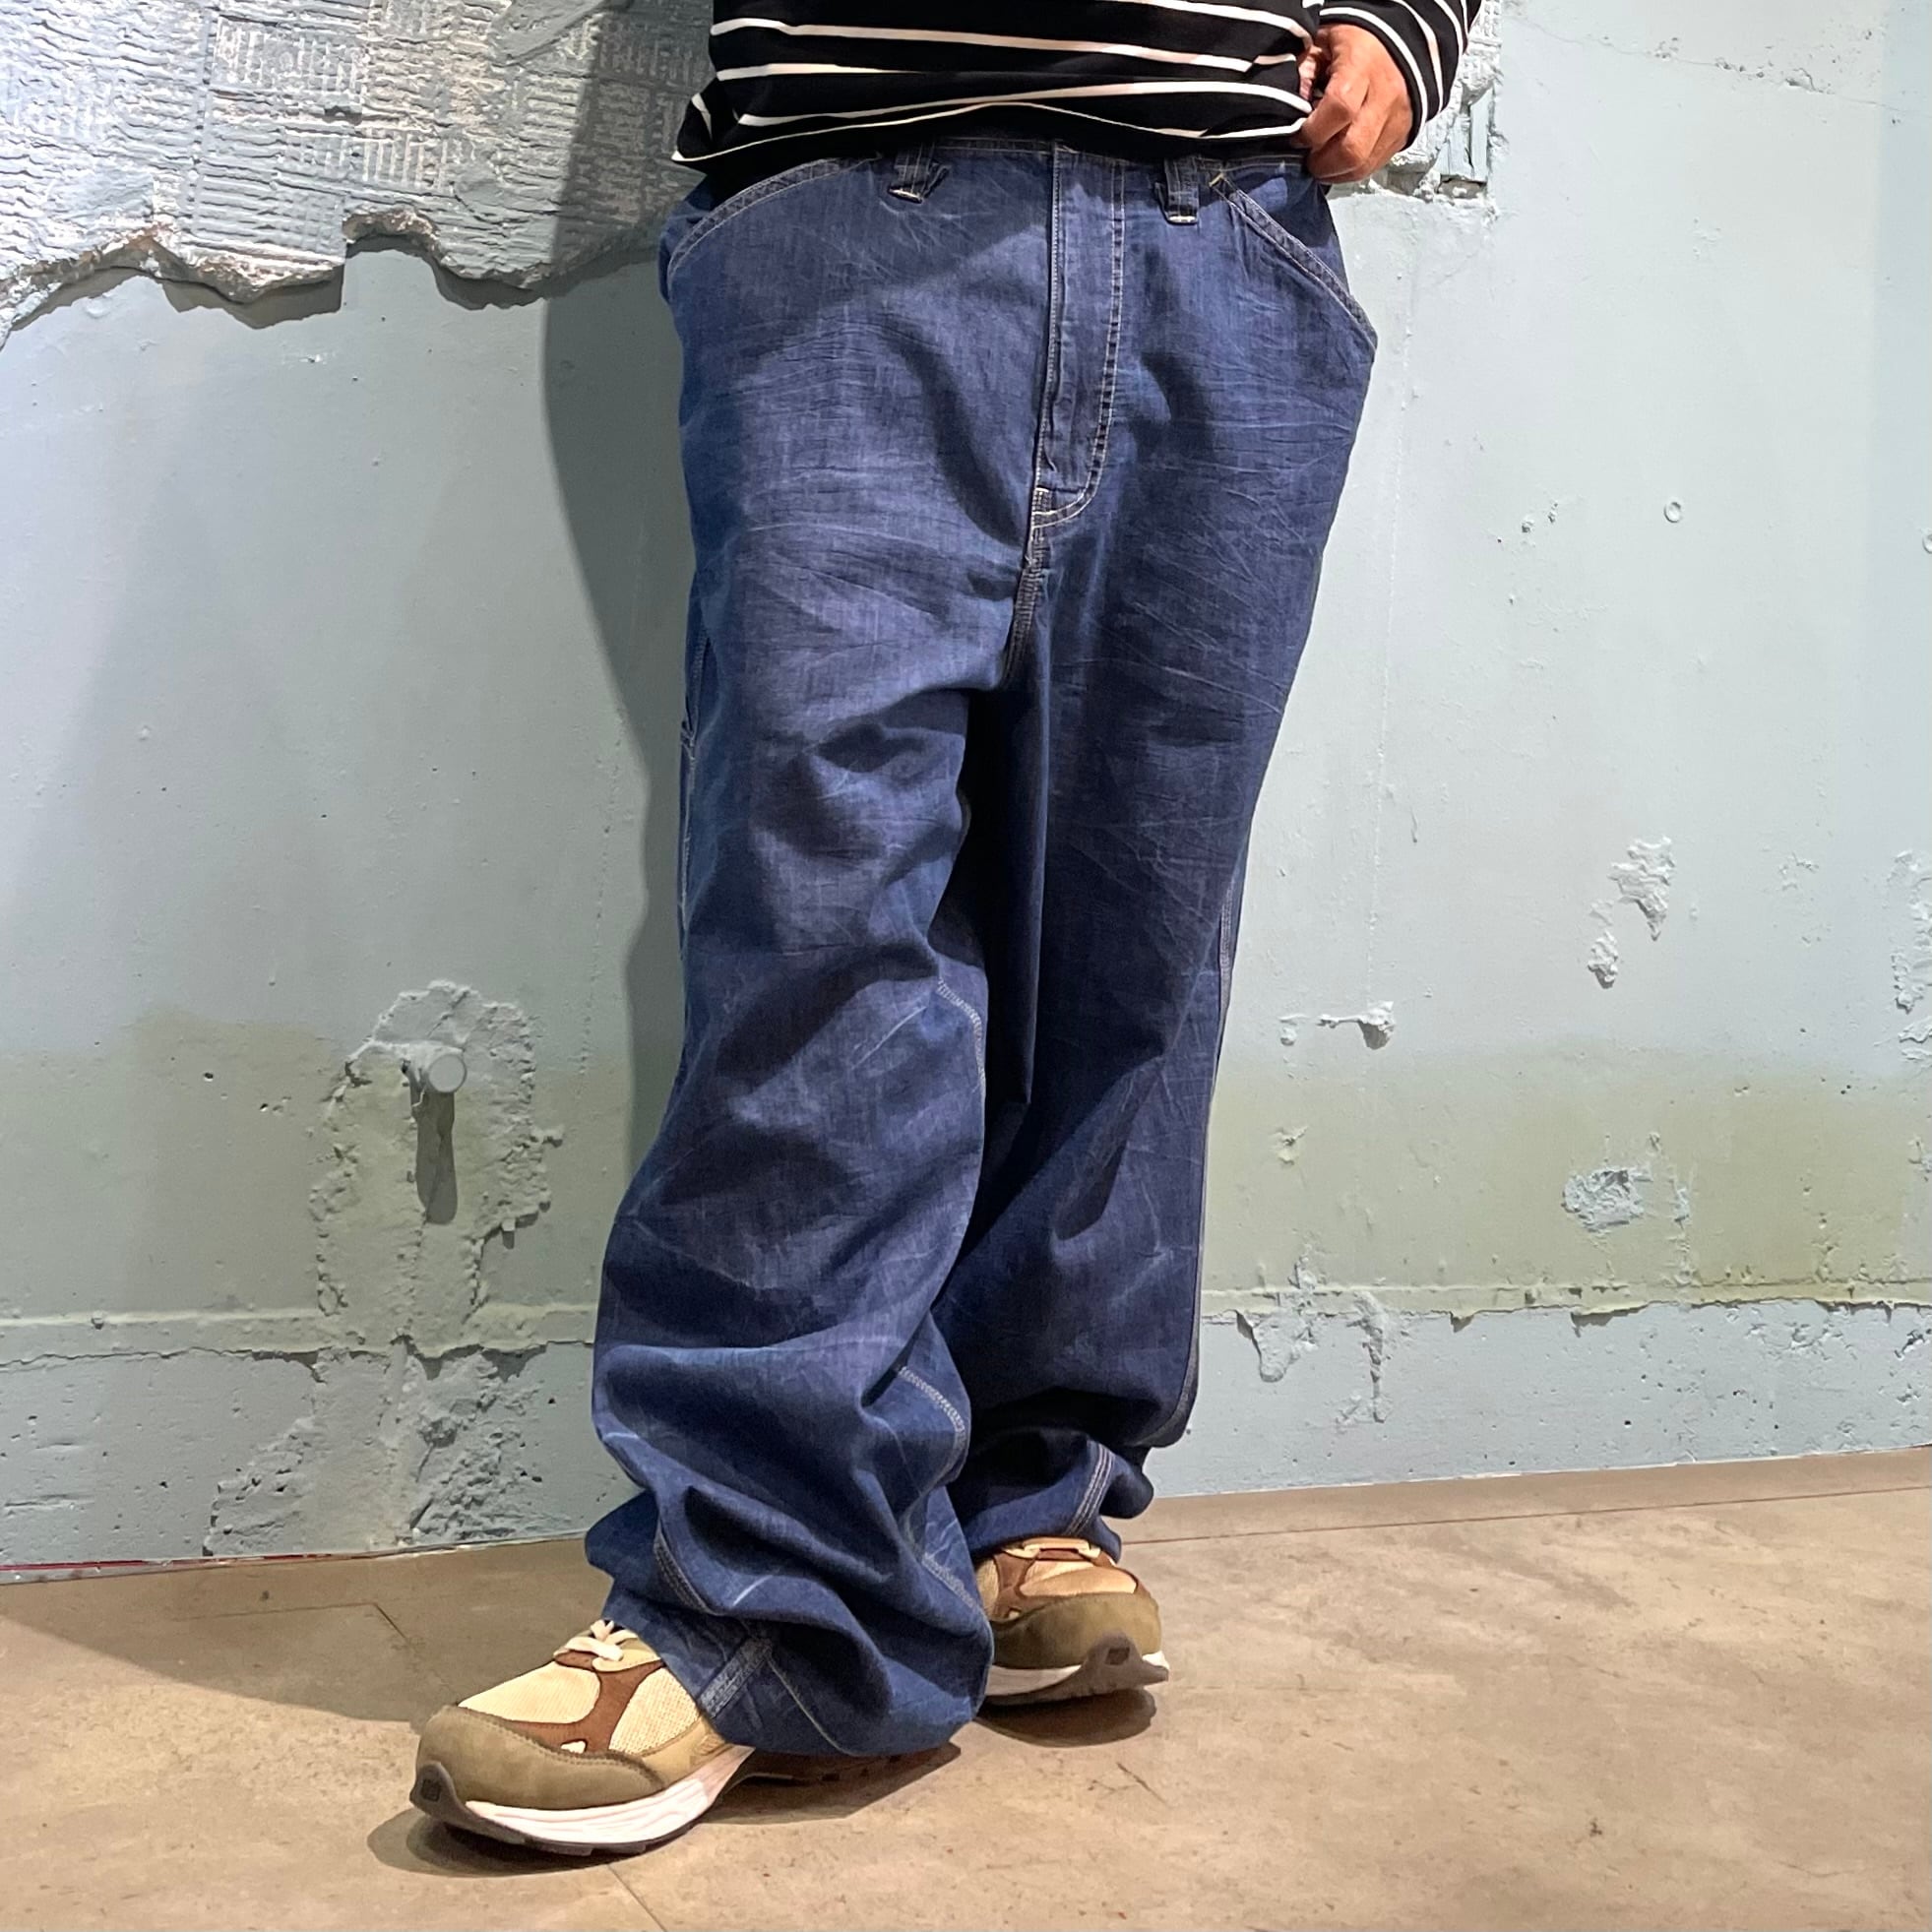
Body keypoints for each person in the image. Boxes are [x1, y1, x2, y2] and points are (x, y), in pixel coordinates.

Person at [411, 0, 1474, 1853]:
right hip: (849, 204)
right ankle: (770, 1601)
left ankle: (1024, 1497)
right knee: (819, 920)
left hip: (1226, 226)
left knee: (1137, 936)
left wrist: (1415, 21)